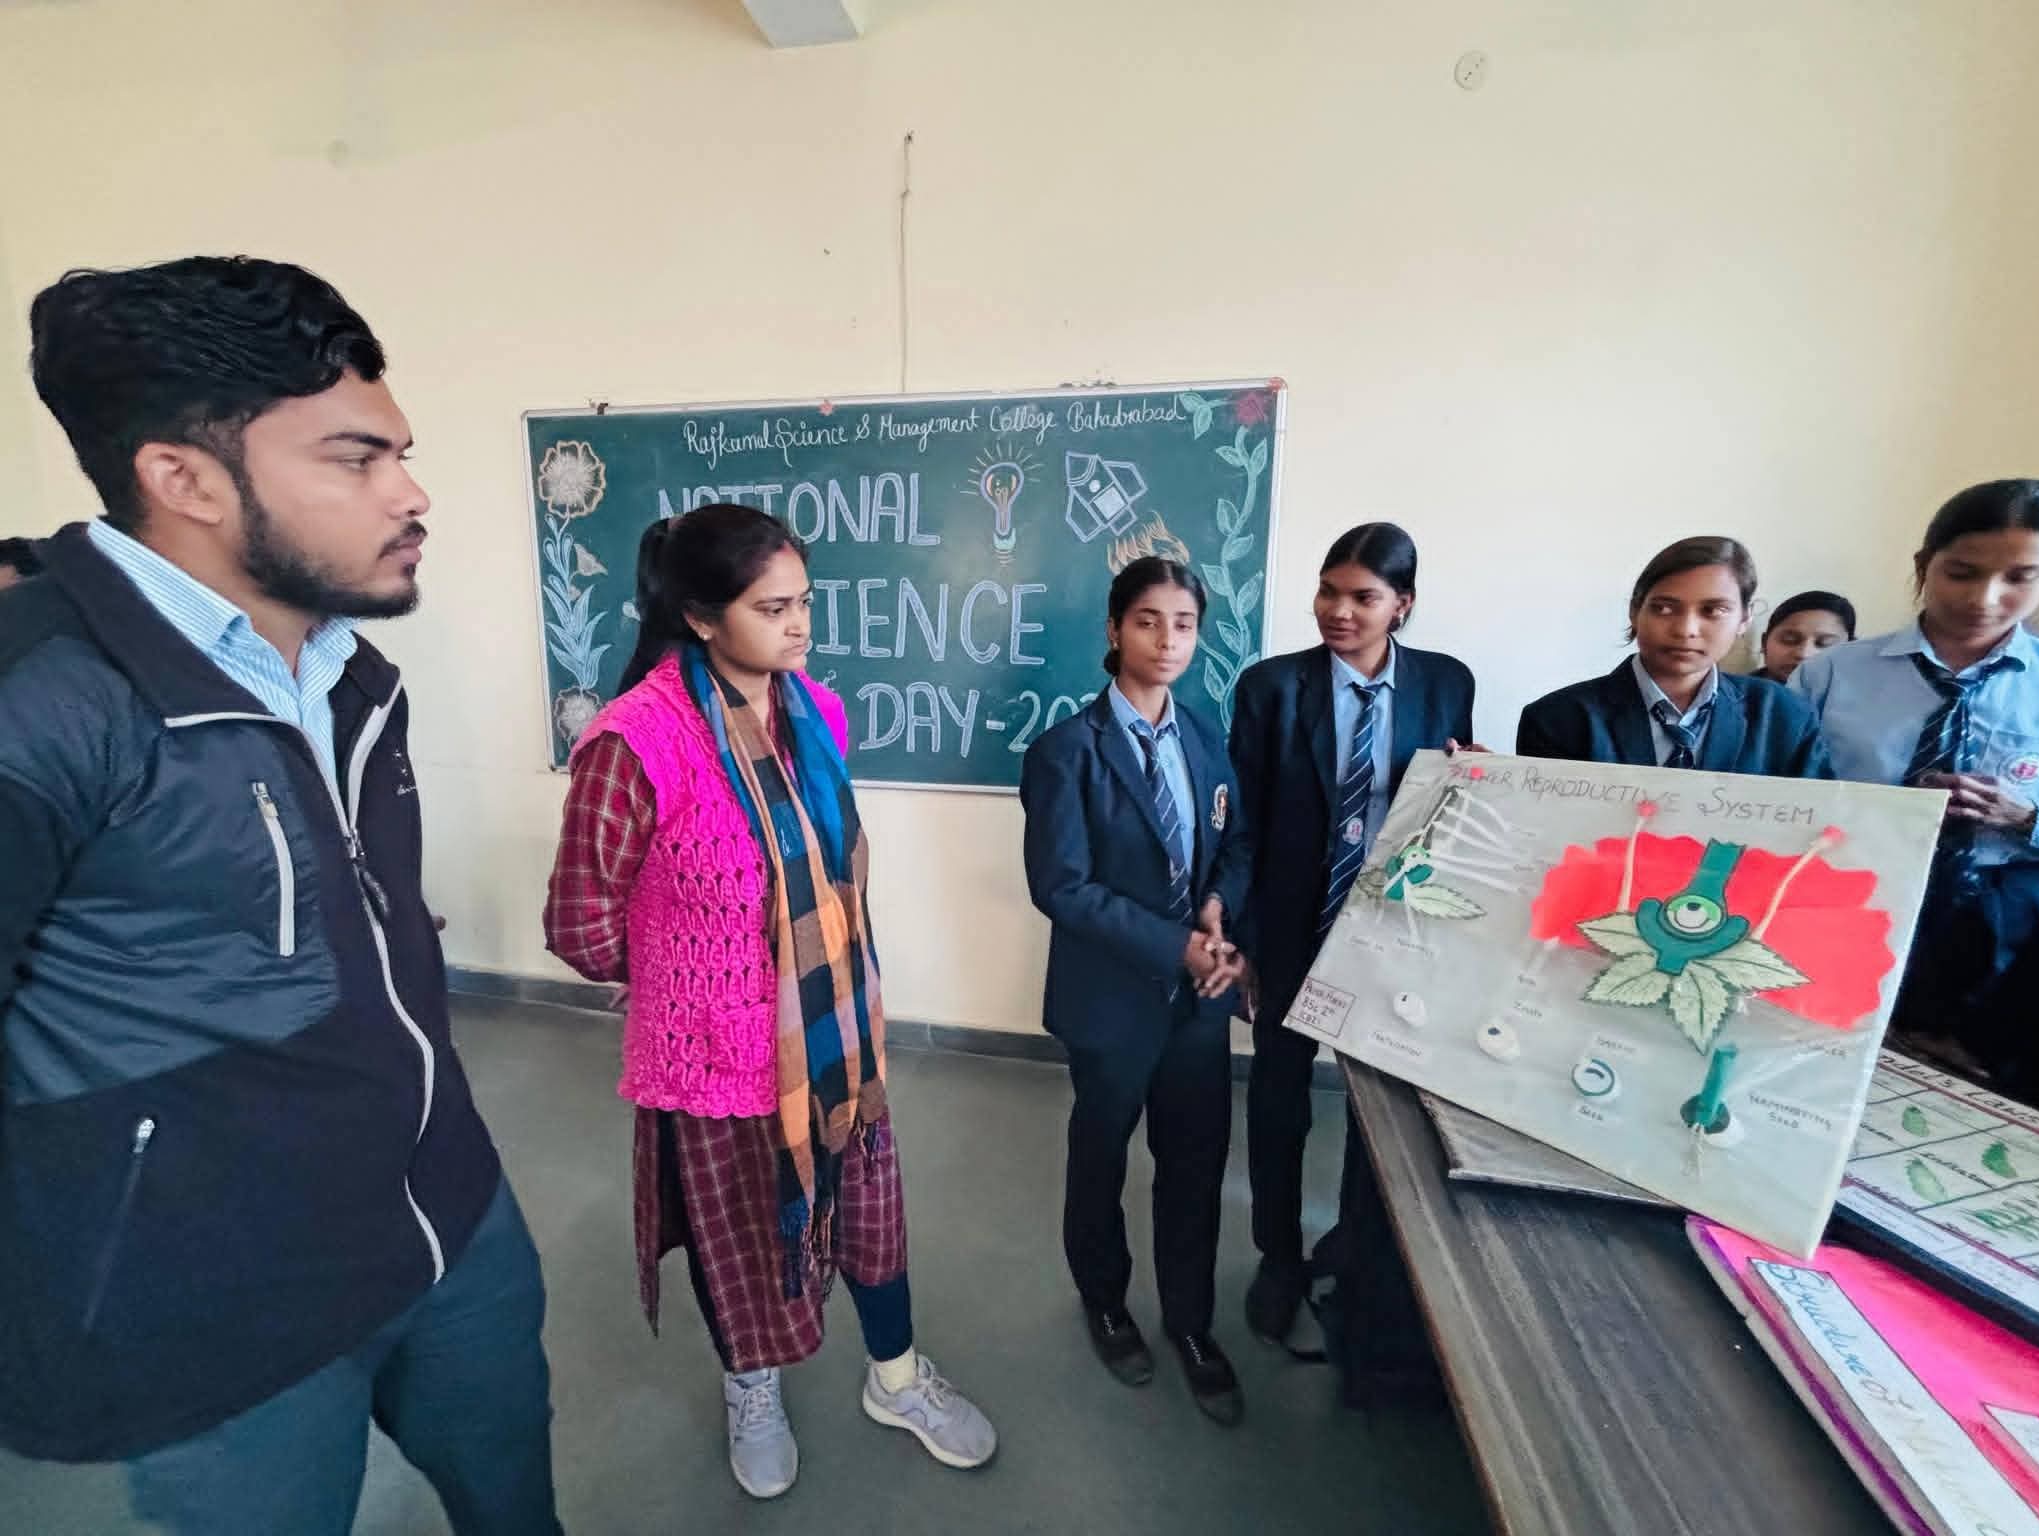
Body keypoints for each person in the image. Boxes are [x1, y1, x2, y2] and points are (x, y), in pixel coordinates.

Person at [0, 257, 560, 1534]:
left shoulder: (349, 675)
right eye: (355, 460)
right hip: (215, 1319)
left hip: (446, 1222)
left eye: (400, 454)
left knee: (516, 1502)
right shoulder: (39, 703)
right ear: (184, 478)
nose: (411, 494)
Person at [543, 503, 995, 1500]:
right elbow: (578, 924)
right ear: (701, 618)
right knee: (741, 1241)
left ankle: (895, 1379)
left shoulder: (815, 712)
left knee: (869, 1216)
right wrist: (679, 976)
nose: (799, 627)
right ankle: (751, 1389)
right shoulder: (633, 742)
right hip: (713, 1059)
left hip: (834, 1037)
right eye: (772, 608)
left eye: (804, 603)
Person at [1228, 522, 1475, 1345]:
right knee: (1279, 1097)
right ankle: (1277, 1256)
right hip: (1292, 924)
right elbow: (1245, 823)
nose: (1339, 611)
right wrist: (1246, 938)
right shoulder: (1271, 687)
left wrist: (1472, 774)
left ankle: (1356, 1247)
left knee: (1379, 1106)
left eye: (1363, 597)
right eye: (1328, 592)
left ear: (1403, 603)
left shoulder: (1445, 681)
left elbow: (1448, 804)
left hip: (1395, 928)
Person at [1019, 558, 1253, 1426]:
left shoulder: (1205, 736)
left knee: (1193, 1165)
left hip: (1197, 1005)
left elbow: (1235, 842)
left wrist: (1218, 914)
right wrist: (1175, 947)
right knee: (1103, 1157)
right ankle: (1106, 1303)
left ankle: (1191, 1323)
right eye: (1149, 620)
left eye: (1184, 624)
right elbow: (1063, 887)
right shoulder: (1066, 752)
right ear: (1115, 629)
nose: (1167, 640)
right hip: (1111, 1003)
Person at [1791, 481, 2039, 1105]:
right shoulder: (1832, 673)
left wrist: (2028, 817)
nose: (1985, 598)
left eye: (2020, 577)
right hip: (1849, 909)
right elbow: (1777, 792)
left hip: (2002, 941)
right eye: (1962, 573)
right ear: (1923, 566)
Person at [1518, 535, 1831, 777]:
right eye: (1664, 608)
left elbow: (1818, 827)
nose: (1686, 630)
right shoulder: (1558, 719)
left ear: (1744, 619)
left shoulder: (1785, 715)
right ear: (1635, 611)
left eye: (1713, 611)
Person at [1755, 589, 1857, 683]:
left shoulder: (1861, 694)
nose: (1804, 654)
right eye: (1789, 640)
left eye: (1825, 644)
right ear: (1764, 643)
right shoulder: (1745, 694)